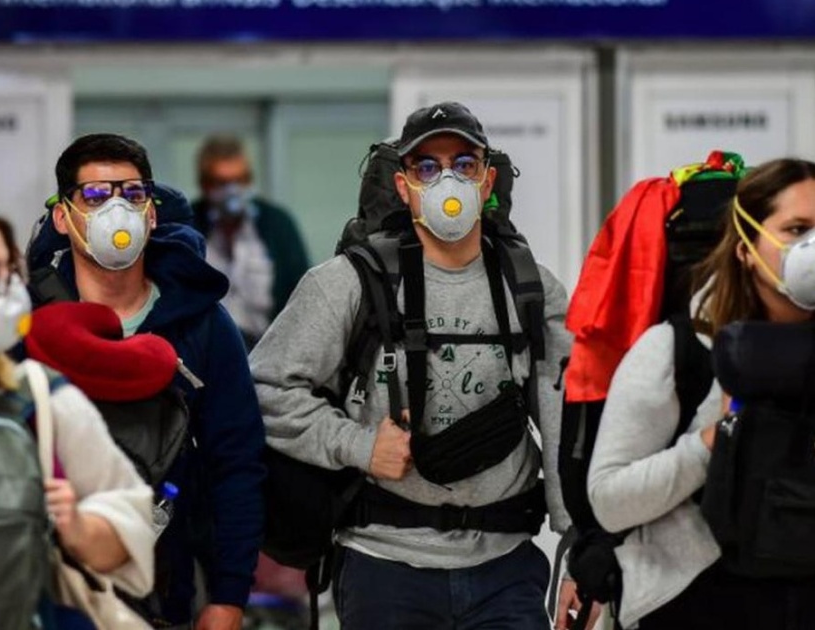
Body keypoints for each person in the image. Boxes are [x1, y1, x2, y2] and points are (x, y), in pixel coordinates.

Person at [250, 102, 586, 629]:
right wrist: (358, 445)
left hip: (506, 568)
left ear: (487, 180)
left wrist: (578, 545)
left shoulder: (531, 288)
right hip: (383, 566)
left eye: (464, 164)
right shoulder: (346, 283)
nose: (447, 180)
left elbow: (564, 414)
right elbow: (265, 389)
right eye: (427, 167)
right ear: (403, 185)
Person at [27, 133, 266, 630]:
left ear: (152, 214)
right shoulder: (32, 321)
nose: (117, 209)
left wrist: (229, 595)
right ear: (63, 217)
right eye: (96, 195)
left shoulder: (202, 324)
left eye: (133, 194)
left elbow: (237, 463)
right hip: (49, 586)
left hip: (171, 587)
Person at [587, 158, 815, 630]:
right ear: (746, 247)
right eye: (797, 229)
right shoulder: (678, 351)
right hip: (695, 600)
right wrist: (714, 441)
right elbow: (609, 500)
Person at [0, 197, 155, 621]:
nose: (10, 291)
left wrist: (78, 527)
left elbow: (129, 535)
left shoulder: (42, 401)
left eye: (10, 271)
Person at [192, 135, 310, 349]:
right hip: (204, 353)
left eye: (241, 180)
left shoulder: (277, 224)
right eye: (222, 183)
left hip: (269, 350)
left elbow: (302, 291)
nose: (233, 190)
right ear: (205, 185)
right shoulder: (188, 225)